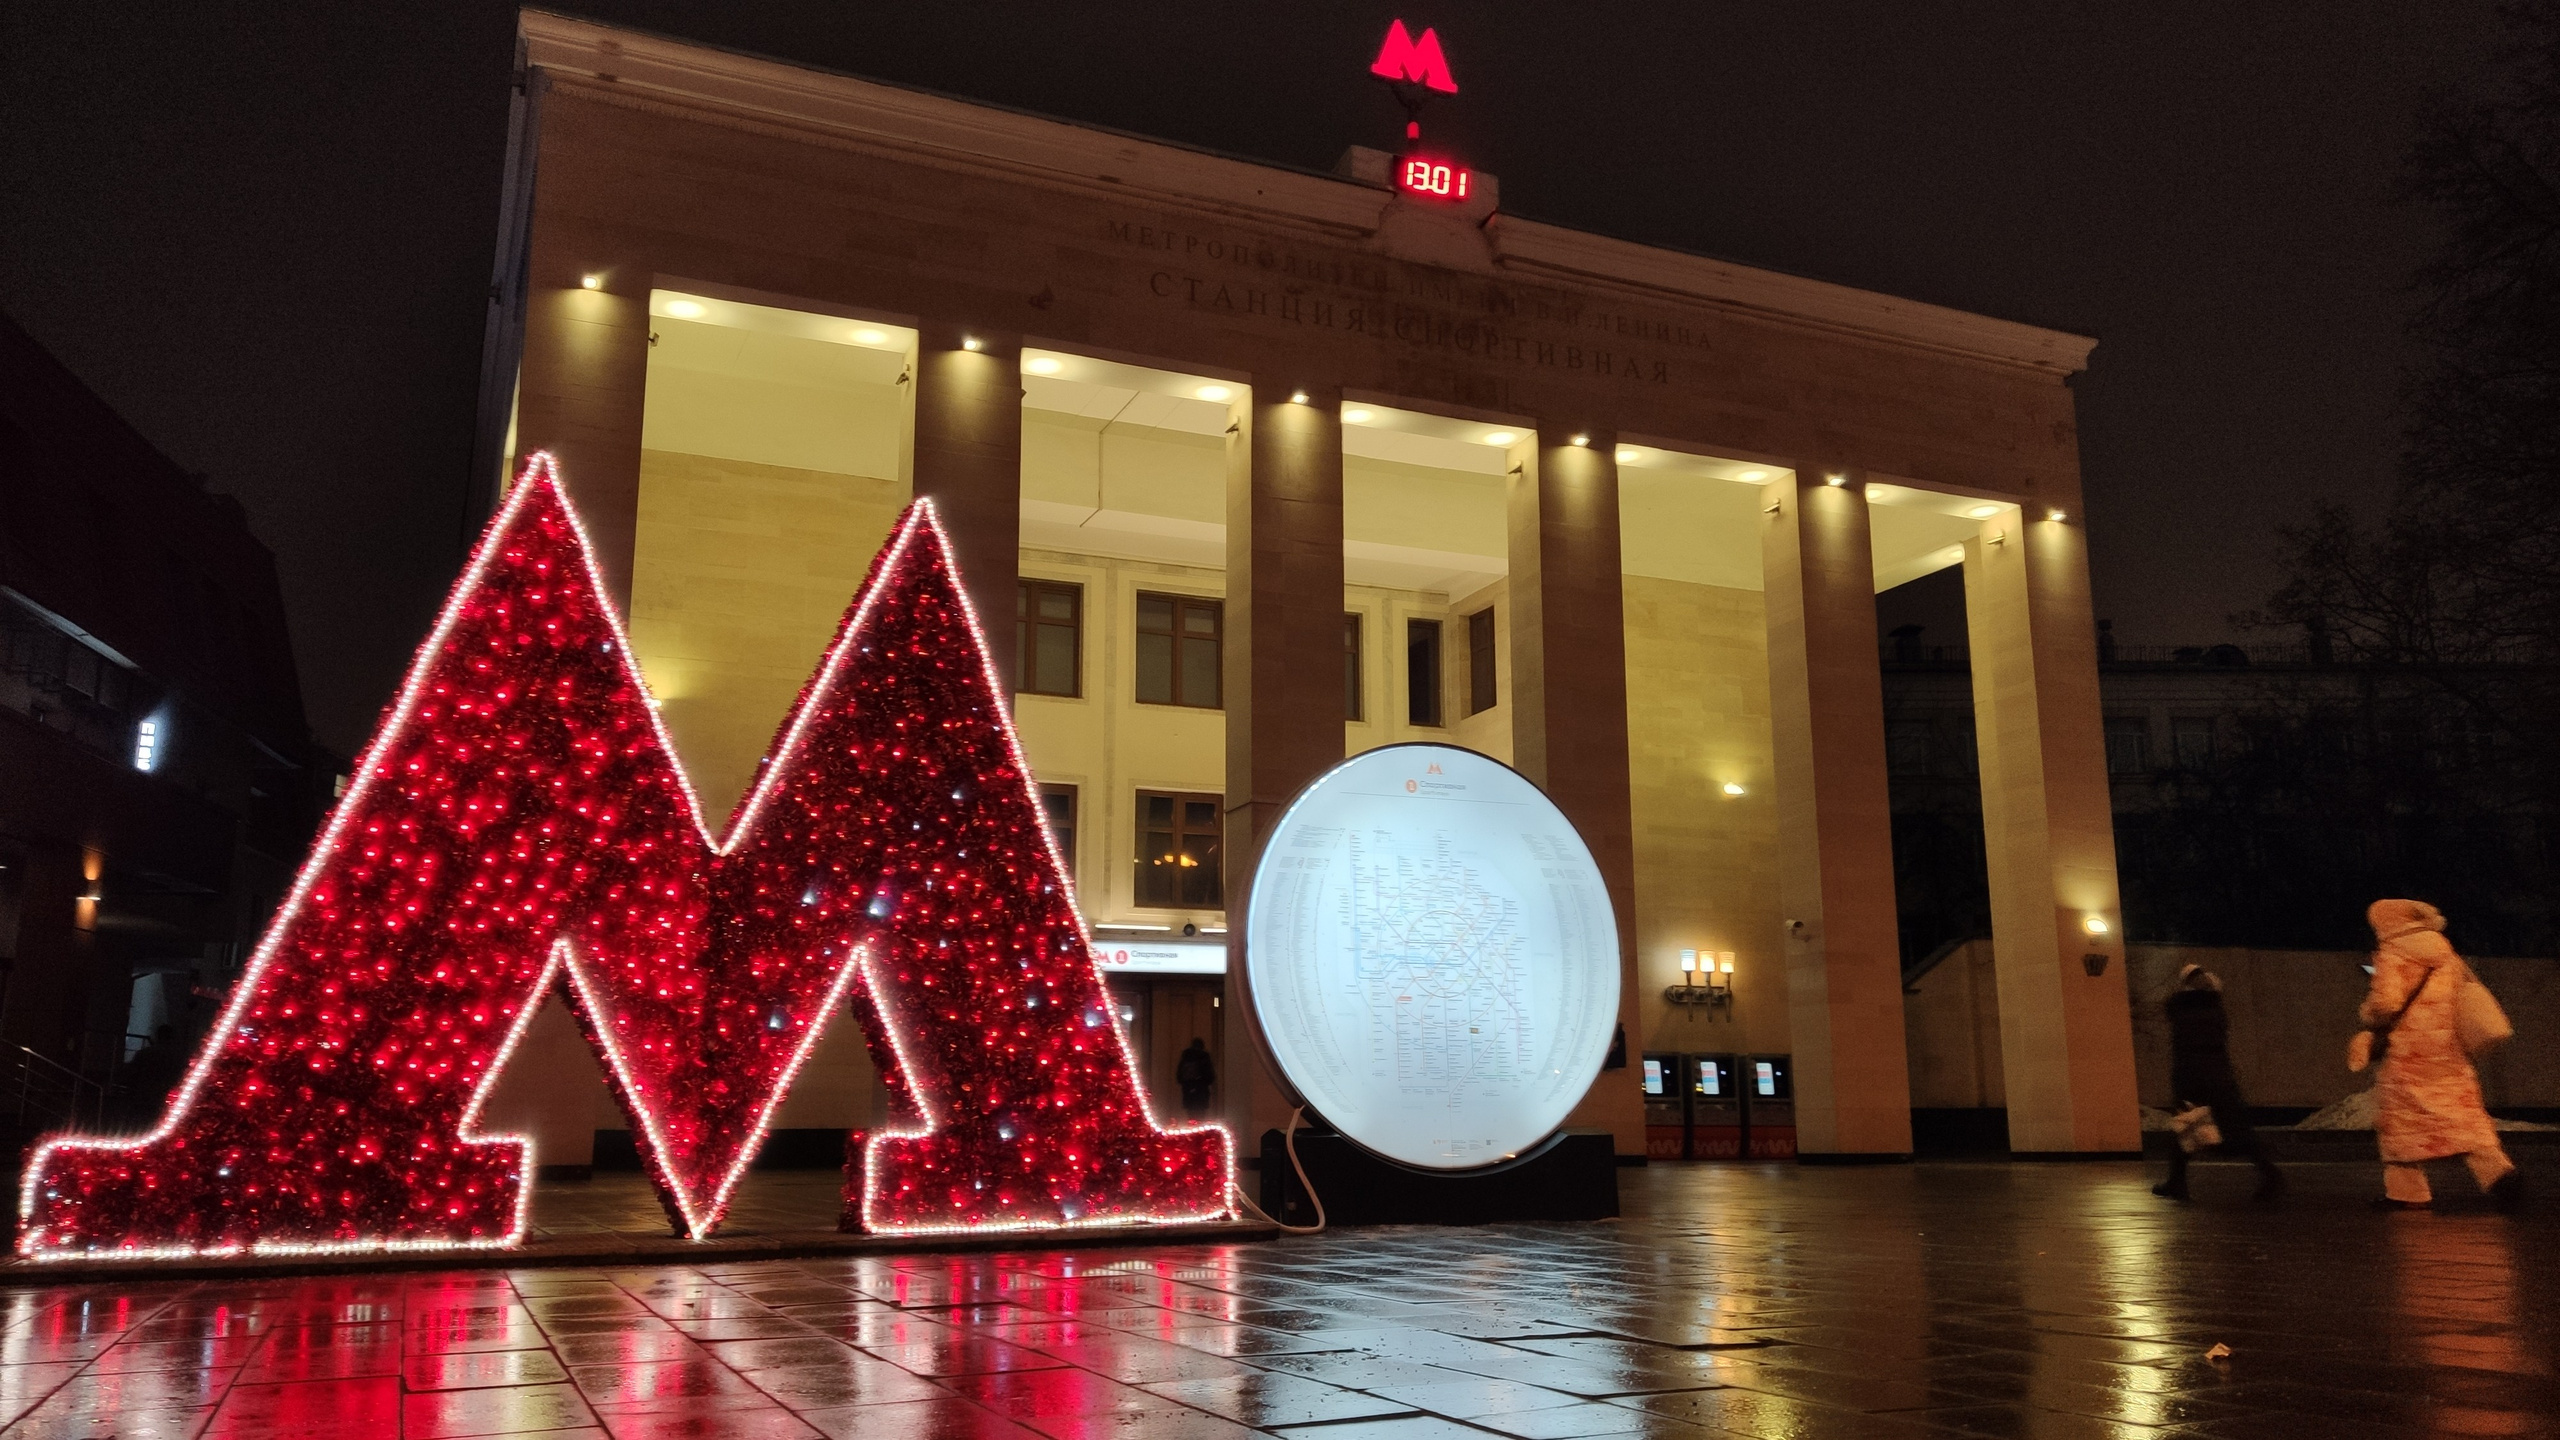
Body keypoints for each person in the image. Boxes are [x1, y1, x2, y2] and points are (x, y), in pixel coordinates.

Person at [2359, 899, 2522, 1212]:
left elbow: (2386, 1004)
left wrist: (2368, 1014)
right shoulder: (2443, 950)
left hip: (2407, 1051)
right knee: (2461, 1110)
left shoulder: (2392, 952)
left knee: (2398, 1118)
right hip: (2446, 1048)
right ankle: (2499, 1173)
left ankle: (2406, 1191)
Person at [2153, 964, 2284, 1203]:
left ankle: (2177, 1182)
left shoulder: (2185, 1008)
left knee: (2185, 1127)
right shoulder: (2215, 1007)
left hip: (2193, 1077)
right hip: (2219, 1076)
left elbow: (2177, 1023)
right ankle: (2269, 1174)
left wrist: (2176, 998)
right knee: (2235, 1128)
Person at [1175, 1038, 1216, 1119]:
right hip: (1201, 1089)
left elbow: (1179, 1075)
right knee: (1201, 1114)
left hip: (1188, 1088)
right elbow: (1210, 1075)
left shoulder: (1186, 1056)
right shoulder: (1204, 1056)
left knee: (1190, 1114)